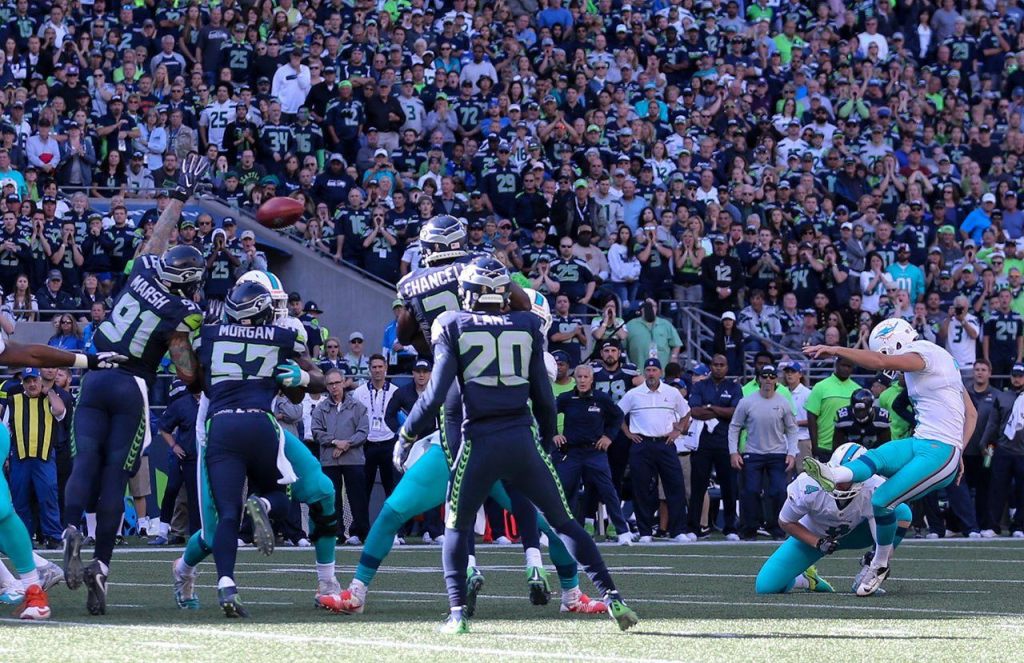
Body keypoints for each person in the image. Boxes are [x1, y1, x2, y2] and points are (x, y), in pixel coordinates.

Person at [338, 219, 599, 617]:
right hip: (504, 432)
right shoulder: (494, 291)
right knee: (550, 519)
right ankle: (570, 592)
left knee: (400, 512)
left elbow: (408, 339)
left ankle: (360, 590)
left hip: (459, 425)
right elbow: (524, 321)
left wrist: (406, 436)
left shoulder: (419, 288)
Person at [396, 256, 638, 634]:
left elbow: (435, 394)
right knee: (564, 522)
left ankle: (457, 614)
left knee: (456, 526)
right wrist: (544, 443)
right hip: (522, 439)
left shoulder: (453, 324)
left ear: (469, 293)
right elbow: (544, 399)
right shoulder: (527, 325)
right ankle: (613, 596)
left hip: (478, 441)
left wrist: (407, 435)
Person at [62, 152, 208, 617]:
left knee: (85, 460)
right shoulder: (184, 310)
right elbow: (185, 370)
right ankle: (102, 566)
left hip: (94, 377)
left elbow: (158, 237)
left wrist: (179, 196)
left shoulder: (144, 268)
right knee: (113, 477)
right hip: (131, 387)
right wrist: (199, 375)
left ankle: (71, 529)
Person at [174, 269, 339, 611]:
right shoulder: (225, 333)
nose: (279, 311)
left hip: (265, 424)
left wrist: (301, 376)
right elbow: (198, 384)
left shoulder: (275, 332)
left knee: (323, 490)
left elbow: (307, 385)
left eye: (279, 303)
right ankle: (183, 569)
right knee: (213, 533)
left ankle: (327, 579)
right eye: (271, 303)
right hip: (214, 430)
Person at [803, 317, 977, 596]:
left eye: (885, 351)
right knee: (876, 457)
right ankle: (833, 475)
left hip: (940, 450)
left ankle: (879, 563)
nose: (890, 365)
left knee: (881, 501)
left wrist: (835, 349)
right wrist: (961, 449)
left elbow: (880, 362)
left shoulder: (924, 352)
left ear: (895, 343)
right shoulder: (941, 360)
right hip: (924, 441)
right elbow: (972, 413)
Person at [756, 443, 913, 594]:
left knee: (902, 512)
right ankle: (806, 579)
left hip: (855, 534)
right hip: (813, 535)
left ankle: (866, 577)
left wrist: (879, 561)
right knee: (766, 586)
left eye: (847, 476)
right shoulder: (809, 484)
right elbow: (785, 521)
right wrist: (817, 542)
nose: (839, 481)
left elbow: (883, 541)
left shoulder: (873, 487)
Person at [554, 363, 633, 545]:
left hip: (595, 452)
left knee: (608, 491)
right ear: (575, 379)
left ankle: (623, 532)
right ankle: (556, 530)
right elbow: (547, 414)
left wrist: (609, 437)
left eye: (586, 377)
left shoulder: (601, 398)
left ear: (592, 379)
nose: (582, 380)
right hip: (571, 452)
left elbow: (617, 416)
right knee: (563, 490)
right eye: (579, 377)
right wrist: (553, 434)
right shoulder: (566, 398)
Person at [618, 357, 692, 543]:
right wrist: (628, 433)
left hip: (665, 443)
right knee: (641, 488)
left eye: (654, 370)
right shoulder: (633, 394)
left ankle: (678, 530)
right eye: (648, 370)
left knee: (675, 485)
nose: (651, 374)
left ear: (661, 372)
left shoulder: (672, 392)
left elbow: (686, 412)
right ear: (644, 373)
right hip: (641, 444)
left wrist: (677, 430)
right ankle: (645, 532)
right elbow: (617, 414)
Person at [729, 364, 798, 540]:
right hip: (753, 453)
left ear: (776, 380)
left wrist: (792, 453)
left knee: (778, 491)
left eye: (772, 376)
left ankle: (777, 528)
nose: (768, 380)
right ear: (758, 379)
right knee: (750, 491)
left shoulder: (783, 402)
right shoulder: (747, 402)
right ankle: (749, 529)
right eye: (764, 376)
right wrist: (733, 452)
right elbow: (734, 426)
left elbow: (792, 429)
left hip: (777, 453)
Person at [4, 367, 66, 550]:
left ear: (40, 381)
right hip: (20, 457)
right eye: (28, 381)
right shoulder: (13, 401)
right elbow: (5, 430)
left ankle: (53, 536)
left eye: (34, 380)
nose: (32, 384)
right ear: (22, 383)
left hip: (44, 456)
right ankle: (23, 538)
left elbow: (60, 411)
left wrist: (49, 392)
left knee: (48, 497)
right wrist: (5, 456)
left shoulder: (50, 399)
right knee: (20, 499)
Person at [312, 368, 370, 546]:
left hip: (353, 459)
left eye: (337, 382)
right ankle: (336, 533)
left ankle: (360, 532)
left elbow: (363, 431)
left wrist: (346, 444)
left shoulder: (358, 406)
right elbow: (316, 432)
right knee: (332, 498)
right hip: (330, 460)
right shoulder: (321, 408)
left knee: (357, 497)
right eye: (330, 384)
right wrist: (335, 442)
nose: (334, 387)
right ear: (326, 386)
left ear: (344, 383)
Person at [687, 354, 742, 540]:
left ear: (727, 367)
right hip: (702, 442)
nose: (718, 367)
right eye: (715, 364)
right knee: (698, 485)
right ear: (710, 366)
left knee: (729, 486)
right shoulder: (700, 386)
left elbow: (734, 412)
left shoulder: (734, 387)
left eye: (722, 364)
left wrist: (710, 407)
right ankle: (693, 527)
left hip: (725, 441)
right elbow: (694, 410)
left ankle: (730, 527)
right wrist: (720, 410)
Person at [151, 379, 200, 546]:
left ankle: (197, 533)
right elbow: (164, 426)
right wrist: (174, 446)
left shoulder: (211, 400)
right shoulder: (182, 402)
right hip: (183, 454)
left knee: (195, 495)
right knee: (172, 489)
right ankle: (164, 532)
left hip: (202, 456)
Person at [351, 354, 399, 505]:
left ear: (386, 368)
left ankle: (392, 521)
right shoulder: (359, 392)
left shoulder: (395, 391)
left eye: (380, 367)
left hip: (389, 443)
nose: (377, 370)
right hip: (367, 444)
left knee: (391, 490)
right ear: (369, 369)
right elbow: (353, 419)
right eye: (374, 367)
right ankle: (362, 521)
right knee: (364, 489)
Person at [805, 357, 860, 461]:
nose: (846, 369)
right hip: (824, 446)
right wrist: (815, 445)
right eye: (843, 365)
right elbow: (811, 417)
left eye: (849, 366)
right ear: (836, 365)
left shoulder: (857, 389)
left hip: (849, 448)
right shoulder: (820, 387)